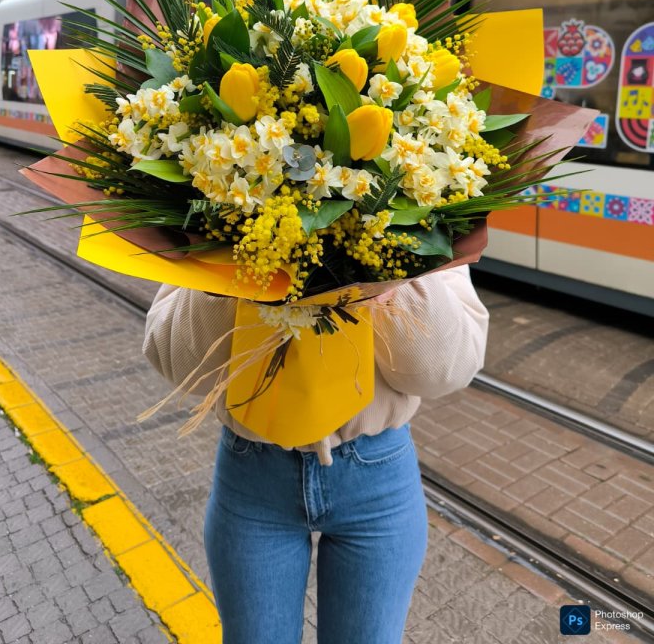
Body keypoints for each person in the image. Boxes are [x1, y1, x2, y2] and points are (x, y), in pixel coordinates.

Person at [143, 265, 489, 644]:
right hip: (254, 477)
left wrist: (394, 271)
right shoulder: (213, 213)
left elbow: (448, 370)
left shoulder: (419, 215)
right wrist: (227, 267)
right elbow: (177, 362)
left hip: (376, 477)